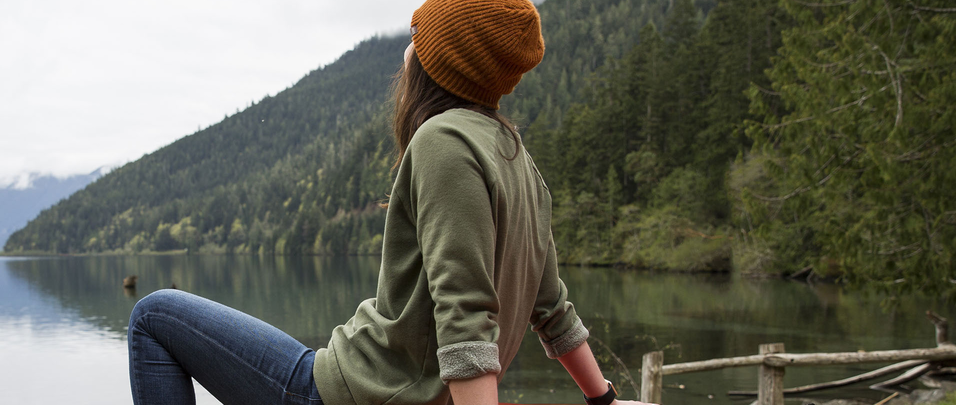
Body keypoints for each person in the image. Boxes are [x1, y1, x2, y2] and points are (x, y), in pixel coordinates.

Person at [127, 1, 657, 404]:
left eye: (417, 36)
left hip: (352, 394)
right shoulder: (517, 159)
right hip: (379, 385)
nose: (407, 47)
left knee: (153, 316)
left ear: (444, 61)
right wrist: (604, 399)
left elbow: (466, 316)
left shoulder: (443, 141)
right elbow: (551, 308)